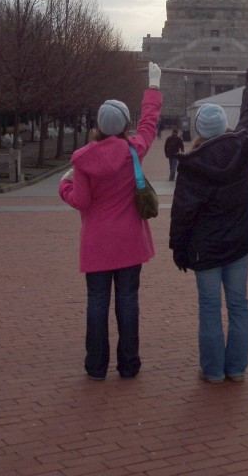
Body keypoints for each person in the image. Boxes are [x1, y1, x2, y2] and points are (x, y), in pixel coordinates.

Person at [58, 63, 162, 381]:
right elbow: (150, 123)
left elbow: (82, 201)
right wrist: (154, 86)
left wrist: (65, 186)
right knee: (128, 303)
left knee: (97, 304)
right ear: (124, 125)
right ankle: (129, 364)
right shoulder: (133, 149)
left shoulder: (83, 159)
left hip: (97, 243)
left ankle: (96, 365)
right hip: (130, 239)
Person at [169, 57, 248, 383]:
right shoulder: (244, 148)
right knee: (239, 306)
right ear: (225, 126)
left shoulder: (191, 165)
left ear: (198, 130)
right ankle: (236, 369)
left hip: (204, 249)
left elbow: (182, 214)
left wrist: (178, 250)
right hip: (239, 244)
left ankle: (212, 371)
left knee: (210, 309)